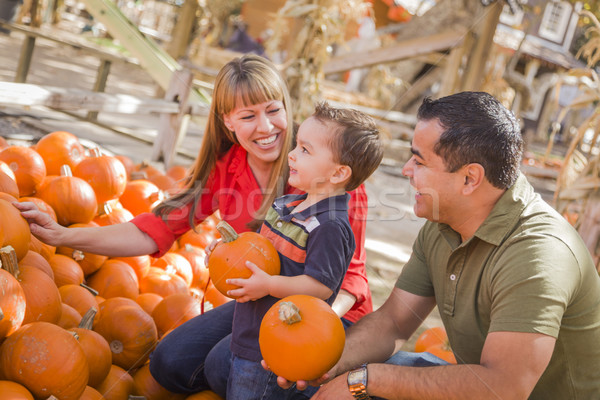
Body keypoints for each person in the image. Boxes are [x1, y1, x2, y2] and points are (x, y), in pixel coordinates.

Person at [15, 54, 374, 394]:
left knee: (225, 363)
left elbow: (350, 279)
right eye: (248, 116)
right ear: (227, 122)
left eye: (273, 110)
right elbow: (154, 228)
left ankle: (316, 388)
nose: (266, 128)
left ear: (286, 107)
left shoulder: (328, 176)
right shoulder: (226, 167)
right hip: (259, 300)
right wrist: (66, 234)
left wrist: (313, 343)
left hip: (324, 313)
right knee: (169, 363)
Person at [274, 91, 600, 399]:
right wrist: (324, 362)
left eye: (419, 161)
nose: (405, 170)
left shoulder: (537, 255)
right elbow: (393, 322)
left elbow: (503, 388)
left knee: (374, 379)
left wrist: (364, 380)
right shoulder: (443, 222)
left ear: (470, 178)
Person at [205, 101, 383, 400]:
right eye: (297, 145)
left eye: (305, 150)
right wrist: (230, 249)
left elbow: (320, 287)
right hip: (251, 328)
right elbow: (264, 251)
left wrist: (269, 285)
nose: (291, 154)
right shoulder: (289, 205)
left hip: (275, 344)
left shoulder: (329, 227)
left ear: (339, 173)